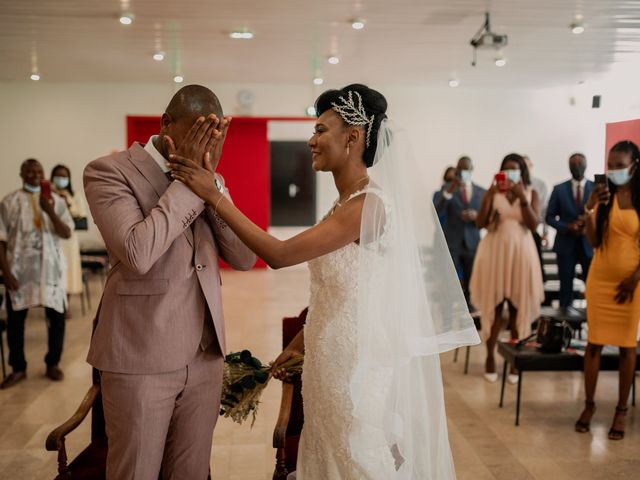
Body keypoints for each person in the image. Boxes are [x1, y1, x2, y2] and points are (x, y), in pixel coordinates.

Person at [167, 84, 480, 479]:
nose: (311, 141)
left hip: (355, 364)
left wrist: (214, 196)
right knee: (328, 448)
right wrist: (298, 344)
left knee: (355, 453)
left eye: (320, 130)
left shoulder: (369, 206)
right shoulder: (344, 205)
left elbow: (279, 255)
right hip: (327, 356)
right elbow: (343, 290)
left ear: (352, 138)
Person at [83, 85, 256, 479]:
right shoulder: (109, 172)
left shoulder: (208, 178)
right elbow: (137, 253)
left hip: (206, 356)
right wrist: (188, 186)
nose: (205, 144)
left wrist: (210, 188)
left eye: (213, 136)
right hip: (140, 356)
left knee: (192, 472)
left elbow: (245, 258)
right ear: (165, 124)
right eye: (196, 130)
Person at [575, 140, 640, 441]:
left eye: (619, 164)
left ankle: (621, 410)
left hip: (632, 284)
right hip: (599, 280)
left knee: (627, 347)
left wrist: (634, 278)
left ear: (634, 165)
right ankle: (588, 406)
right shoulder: (603, 197)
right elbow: (594, 243)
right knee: (594, 345)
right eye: (610, 164)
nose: (612, 170)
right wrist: (589, 207)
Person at [470, 153, 544, 383]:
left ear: (522, 172)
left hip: (521, 255)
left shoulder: (531, 193)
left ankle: (515, 360)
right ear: (501, 171)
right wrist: (489, 196)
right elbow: (480, 223)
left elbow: (533, 225)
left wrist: (522, 198)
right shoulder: (492, 193)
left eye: (515, 169)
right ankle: (490, 356)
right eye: (507, 169)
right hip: (495, 254)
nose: (511, 172)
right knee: (494, 307)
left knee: (516, 310)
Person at [0, 159, 73, 389]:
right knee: (15, 322)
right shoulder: (8, 202)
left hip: (50, 271)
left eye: (39, 171)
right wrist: (5, 272)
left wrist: (49, 209)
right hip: (19, 272)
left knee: (57, 320)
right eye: (30, 170)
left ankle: (53, 363)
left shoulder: (57, 200)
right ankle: (18, 368)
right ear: (21, 173)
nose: (35, 174)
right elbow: (0, 240)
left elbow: (67, 232)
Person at [434, 156, 486, 309]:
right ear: (457, 170)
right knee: (448, 281)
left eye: (466, 169)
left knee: (471, 282)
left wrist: (476, 216)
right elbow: (436, 212)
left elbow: (486, 218)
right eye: (460, 169)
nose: (463, 172)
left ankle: (470, 314)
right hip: (452, 242)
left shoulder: (481, 192)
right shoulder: (447, 189)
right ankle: (447, 314)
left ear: (472, 170)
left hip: (472, 242)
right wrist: (450, 190)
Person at [546, 153, 594, 311]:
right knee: (565, 286)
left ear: (586, 165)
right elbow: (549, 217)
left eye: (580, 163)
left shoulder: (595, 188)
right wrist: (567, 227)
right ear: (569, 166)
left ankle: (593, 318)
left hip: (589, 243)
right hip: (566, 244)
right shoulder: (559, 189)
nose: (577, 166)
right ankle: (565, 324)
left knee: (592, 285)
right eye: (573, 164)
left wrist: (588, 224)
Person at [50, 164, 86, 318]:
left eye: (64, 176)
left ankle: (66, 305)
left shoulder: (75, 195)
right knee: (54, 272)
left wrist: (68, 203)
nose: (61, 179)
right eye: (58, 176)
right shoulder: (47, 195)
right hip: (53, 239)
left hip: (69, 240)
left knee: (68, 271)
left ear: (69, 179)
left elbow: (81, 216)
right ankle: (53, 306)